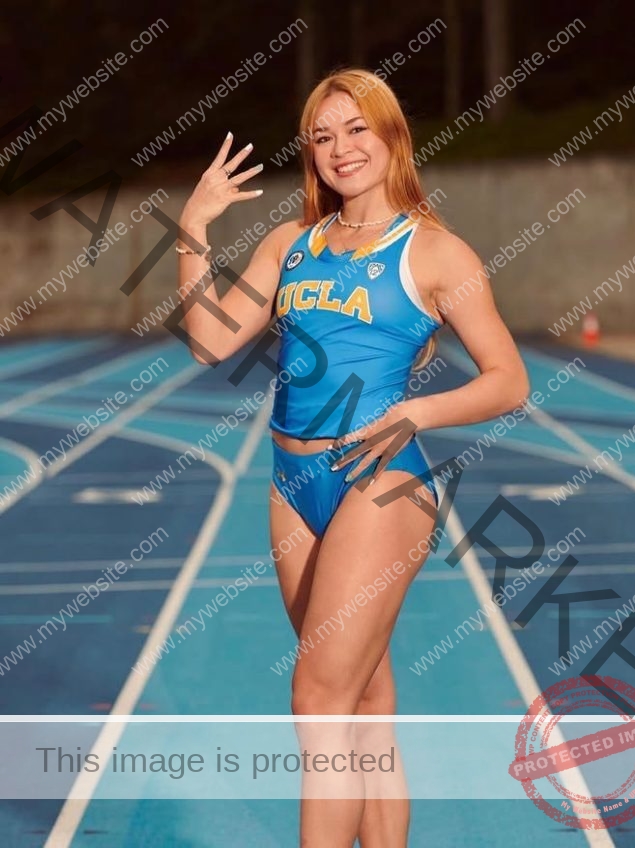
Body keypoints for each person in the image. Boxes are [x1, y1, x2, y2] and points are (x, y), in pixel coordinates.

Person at [176, 68, 529, 848]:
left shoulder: (434, 251)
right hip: (290, 483)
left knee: (317, 700)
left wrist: (418, 410)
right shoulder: (289, 245)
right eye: (323, 136)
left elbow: (510, 381)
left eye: (356, 129)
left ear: (392, 134)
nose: (341, 149)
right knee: (364, 703)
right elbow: (207, 341)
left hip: (381, 485)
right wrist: (194, 228)